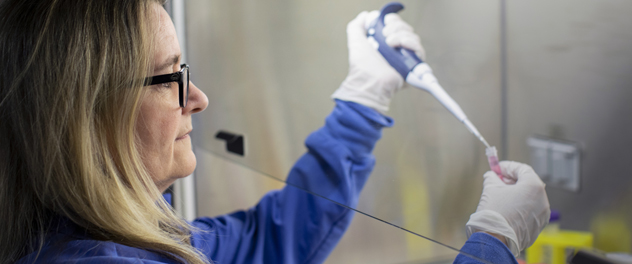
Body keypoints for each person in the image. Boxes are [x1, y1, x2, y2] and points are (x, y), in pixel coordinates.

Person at [0, 0, 549, 263]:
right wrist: (495, 242)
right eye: (171, 76)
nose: (198, 98)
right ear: (84, 116)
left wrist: (362, 102)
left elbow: (270, 240)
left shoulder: (111, 235)